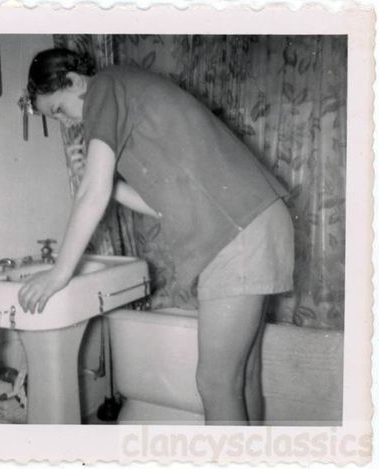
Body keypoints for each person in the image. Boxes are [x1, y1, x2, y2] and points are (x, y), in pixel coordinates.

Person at [18, 47, 294, 425]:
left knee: (214, 383)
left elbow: (90, 196)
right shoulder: (128, 99)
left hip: (239, 232)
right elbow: (160, 206)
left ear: (75, 82)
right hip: (254, 222)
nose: (66, 125)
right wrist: (103, 183)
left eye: (59, 110)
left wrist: (59, 273)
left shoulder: (105, 86)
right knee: (239, 378)